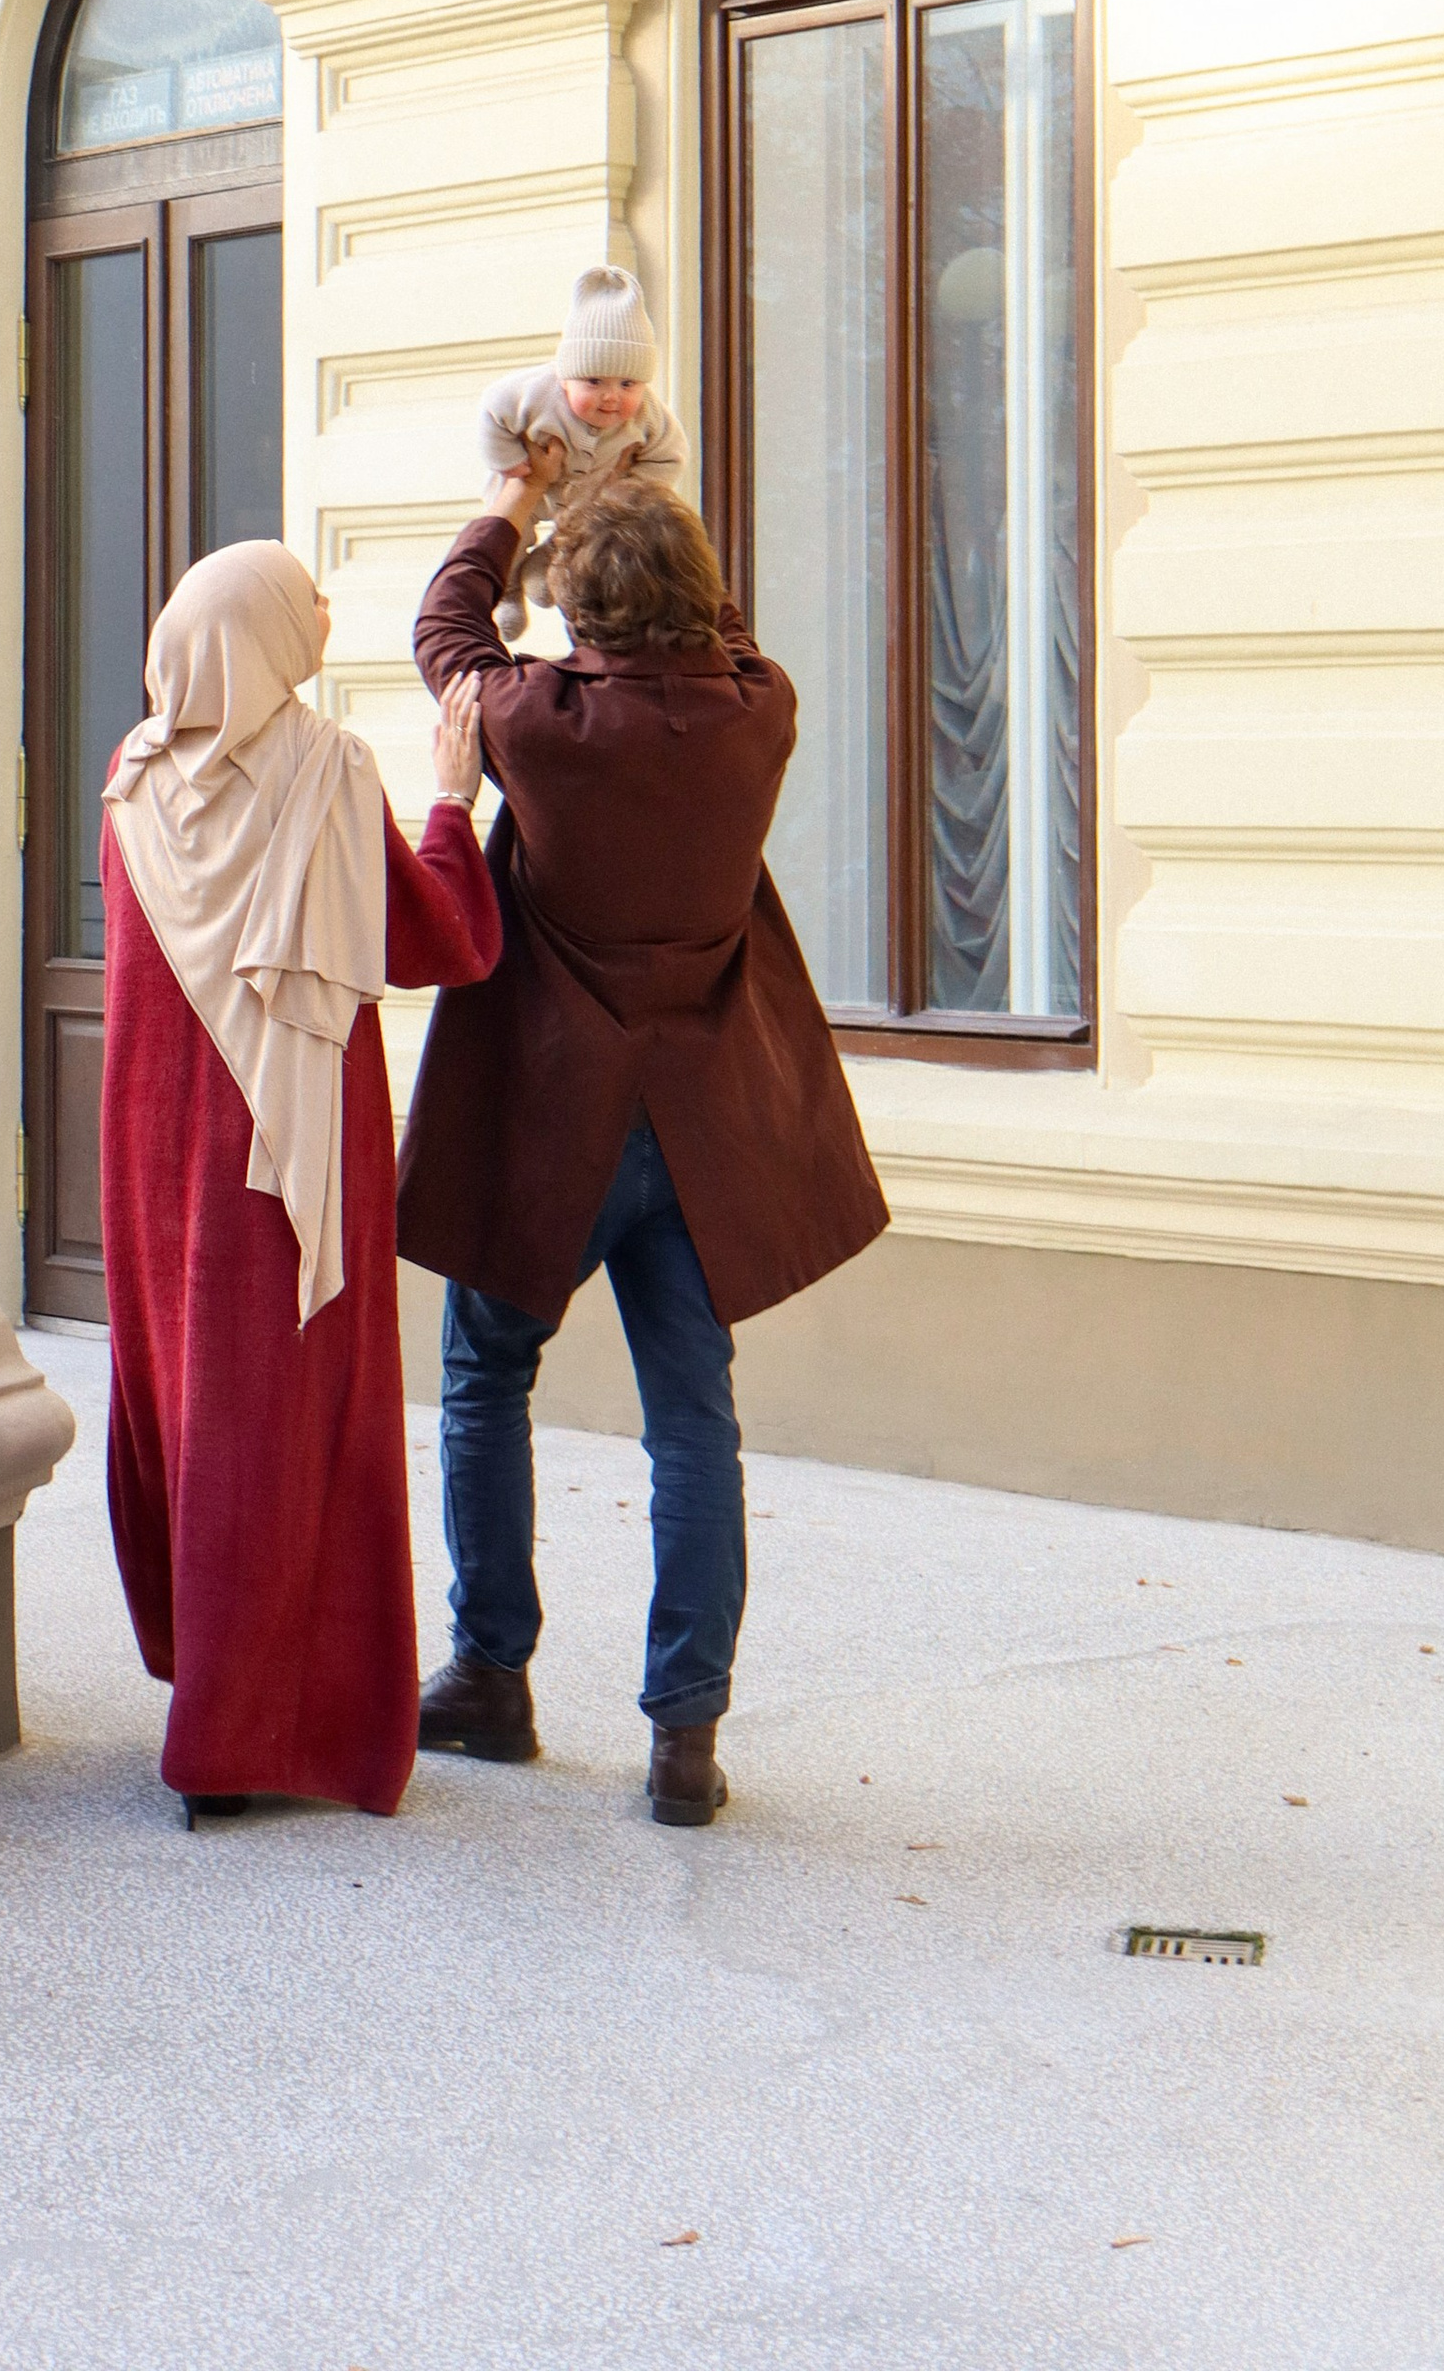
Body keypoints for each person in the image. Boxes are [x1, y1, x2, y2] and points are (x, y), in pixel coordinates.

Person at [397, 454, 889, 1826]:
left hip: (551, 1116)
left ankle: (492, 1678)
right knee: (693, 1423)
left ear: (575, 615)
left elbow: (445, 626)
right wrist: (644, 484)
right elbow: (726, 636)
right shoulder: (759, 715)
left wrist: (510, 501)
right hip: (701, 1128)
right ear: (702, 597)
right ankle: (686, 1741)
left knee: (489, 1377)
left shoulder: (531, 719)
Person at [99, 541, 500, 1826]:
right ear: (265, 637)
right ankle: (262, 1733)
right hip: (290, 1157)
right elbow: (439, 937)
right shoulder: (327, 772)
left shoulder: (129, 781)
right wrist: (456, 801)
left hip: (153, 1160)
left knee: (191, 1412)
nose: (323, 610)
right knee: (290, 1430)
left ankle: (206, 1694)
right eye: (302, 597)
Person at [476, 263, 692, 644]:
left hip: (591, 494)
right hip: (528, 480)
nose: (612, 396)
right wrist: (509, 461)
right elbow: (492, 411)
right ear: (565, 376)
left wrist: (630, 486)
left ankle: (547, 563)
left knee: (587, 537)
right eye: (594, 382)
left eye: (628, 384)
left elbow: (670, 456)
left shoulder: (649, 415)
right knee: (508, 532)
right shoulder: (534, 393)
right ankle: (508, 591)